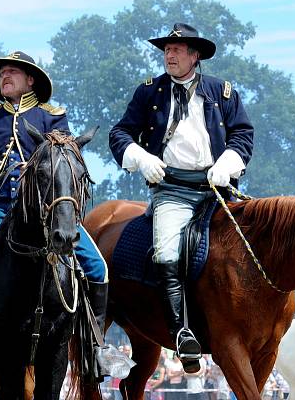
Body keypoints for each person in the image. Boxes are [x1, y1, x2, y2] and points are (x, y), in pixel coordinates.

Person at [0, 51, 108, 366]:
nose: (5, 76)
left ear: (30, 80)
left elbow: (65, 163)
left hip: (45, 213)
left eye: (12, 72)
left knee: (97, 268)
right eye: (2, 72)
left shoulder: (51, 116)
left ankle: (97, 348)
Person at [108, 22, 254, 372]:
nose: (169, 55)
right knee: (167, 251)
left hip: (219, 188)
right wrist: (141, 159)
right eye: (166, 50)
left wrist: (227, 163)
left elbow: (243, 135)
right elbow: (120, 134)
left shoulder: (223, 92)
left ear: (195, 55)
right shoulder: (149, 91)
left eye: (177, 49)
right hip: (173, 190)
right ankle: (181, 333)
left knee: (256, 245)